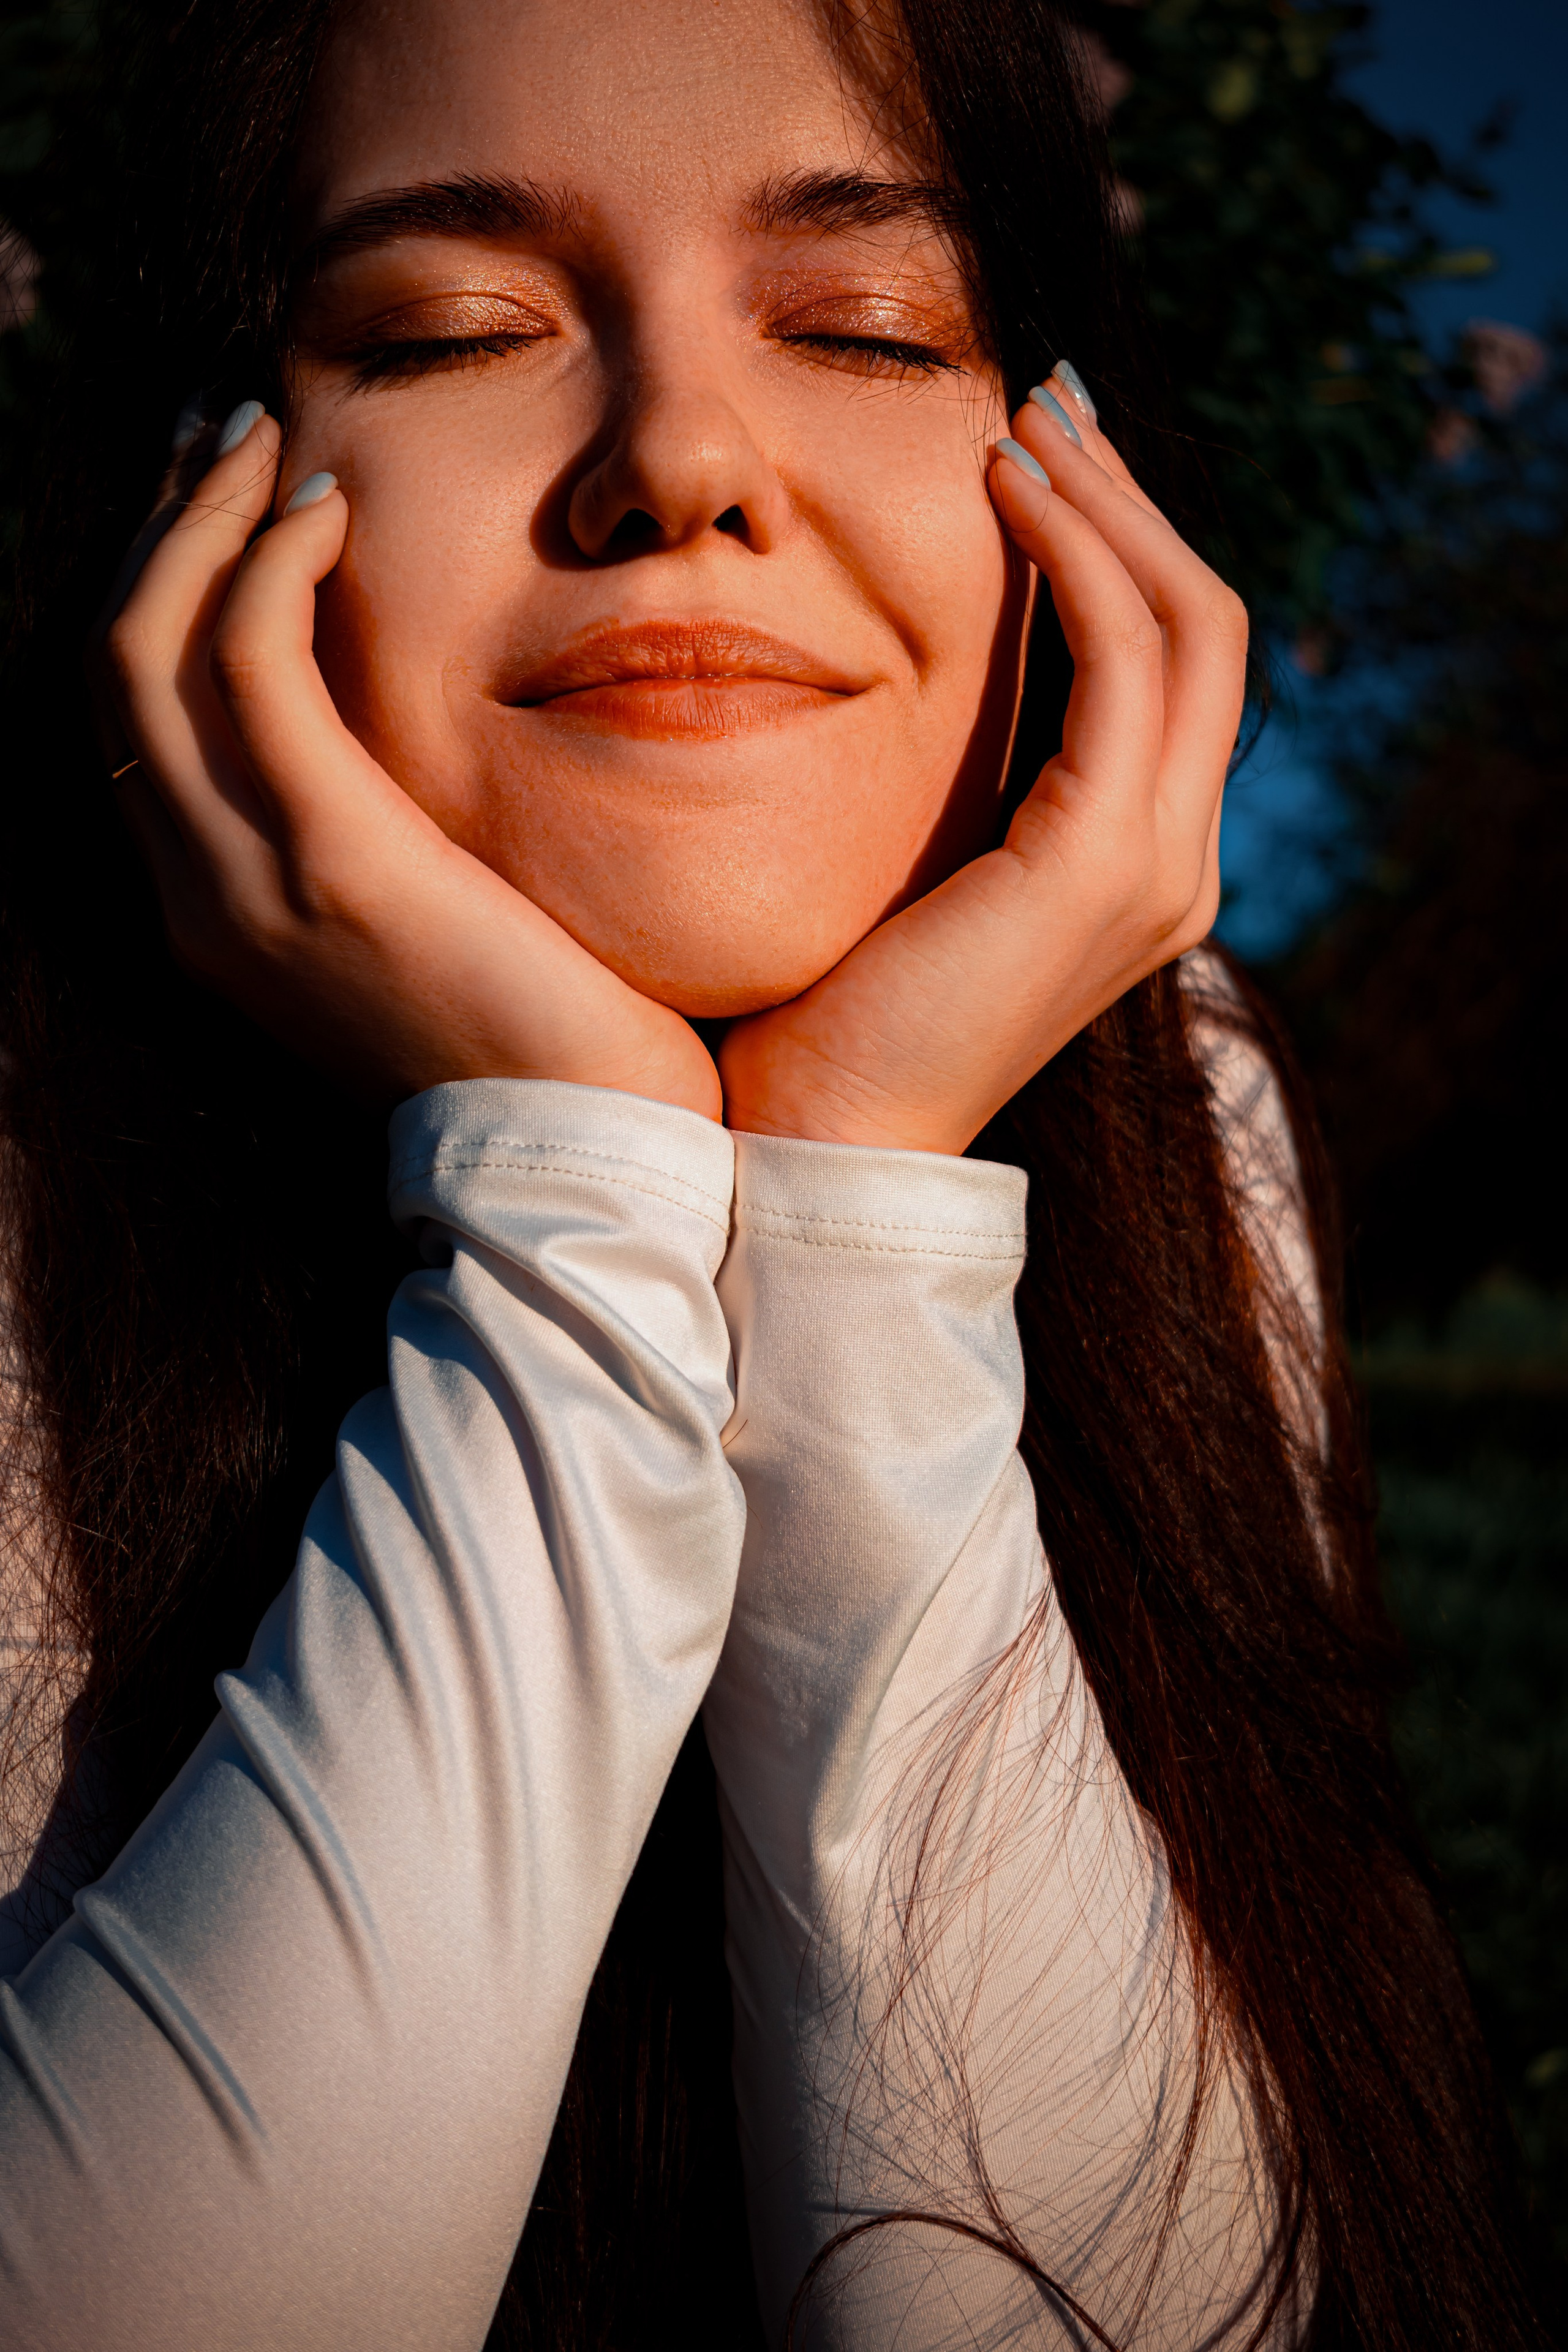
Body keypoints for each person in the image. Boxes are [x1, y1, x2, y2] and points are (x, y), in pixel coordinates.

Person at [0, 0, 1545, 2346]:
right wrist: (572, 1205)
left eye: (869, 325)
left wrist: (858, 1207)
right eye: (449, 330)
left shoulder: (1196, 1104)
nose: (684, 460)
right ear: (204, 495)